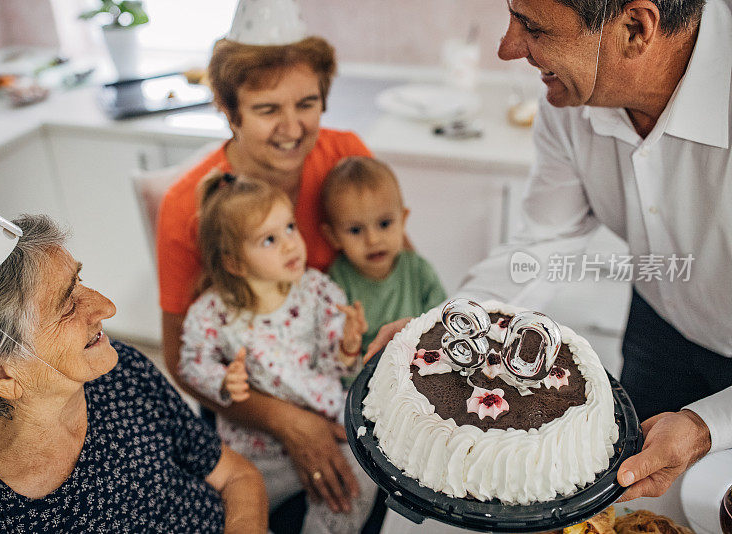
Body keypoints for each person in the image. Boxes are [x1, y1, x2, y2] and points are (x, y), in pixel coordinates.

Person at [365, 0, 731, 503]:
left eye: (532, 27)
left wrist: (709, 424)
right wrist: (447, 320)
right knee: (638, 507)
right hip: (660, 323)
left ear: (634, 29)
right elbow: (543, 242)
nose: (507, 47)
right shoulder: (573, 98)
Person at [0, 215, 267, 533]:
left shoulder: (120, 374)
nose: (107, 306)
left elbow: (235, 476)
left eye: (79, 280)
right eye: (67, 306)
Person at [156, 35, 371, 514]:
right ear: (231, 116)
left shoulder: (345, 157)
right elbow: (181, 360)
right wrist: (288, 422)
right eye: (267, 109)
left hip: (332, 381)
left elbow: (395, 267)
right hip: (247, 404)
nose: (292, 128)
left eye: (308, 103)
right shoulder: (185, 206)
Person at [178, 173, 376, 533]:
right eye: (269, 239)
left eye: (289, 228)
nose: (290, 245)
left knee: (363, 477)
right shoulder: (212, 312)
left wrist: (346, 345)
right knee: (226, 503)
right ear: (234, 263)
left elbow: (334, 362)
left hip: (329, 425)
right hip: (255, 449)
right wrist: (221, 379)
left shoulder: (317, 290)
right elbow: (190, 363)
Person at [320, 156, 446, 366]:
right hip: (365, 378)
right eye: (355, 230)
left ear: (403, 220)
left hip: (417, 368)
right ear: (333, 236)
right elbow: (336, 357)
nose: (373, 239)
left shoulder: (418, 270)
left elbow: (443, 325)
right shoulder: (337, 281)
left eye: (384, 223)